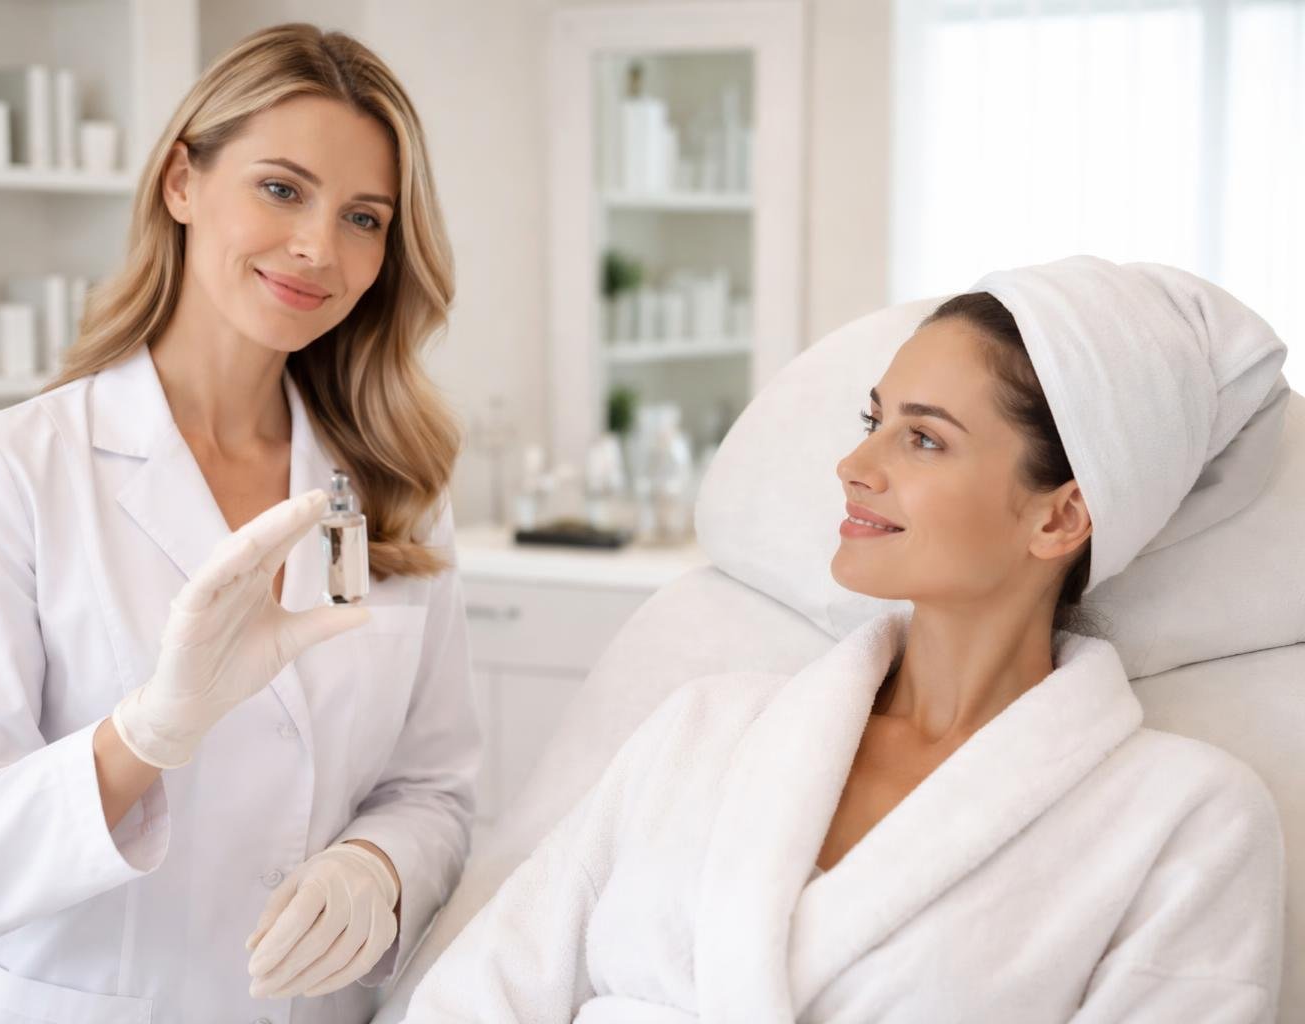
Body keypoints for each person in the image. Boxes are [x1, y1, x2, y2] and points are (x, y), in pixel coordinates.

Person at [403, 258, 1287, 1023]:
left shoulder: (1184, 822)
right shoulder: (704, 728)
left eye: (925, 439)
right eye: (874, 424)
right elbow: (478, 998)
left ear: (1060, 516)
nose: (855, 467)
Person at [0, 24, 479, 1023]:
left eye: (364, 217)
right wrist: (146, 734)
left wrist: (379, 867)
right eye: (282, 189)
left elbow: (436, 787)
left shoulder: (396, 488)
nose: (318, 248)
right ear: (181, 183)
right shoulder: (10, 471)